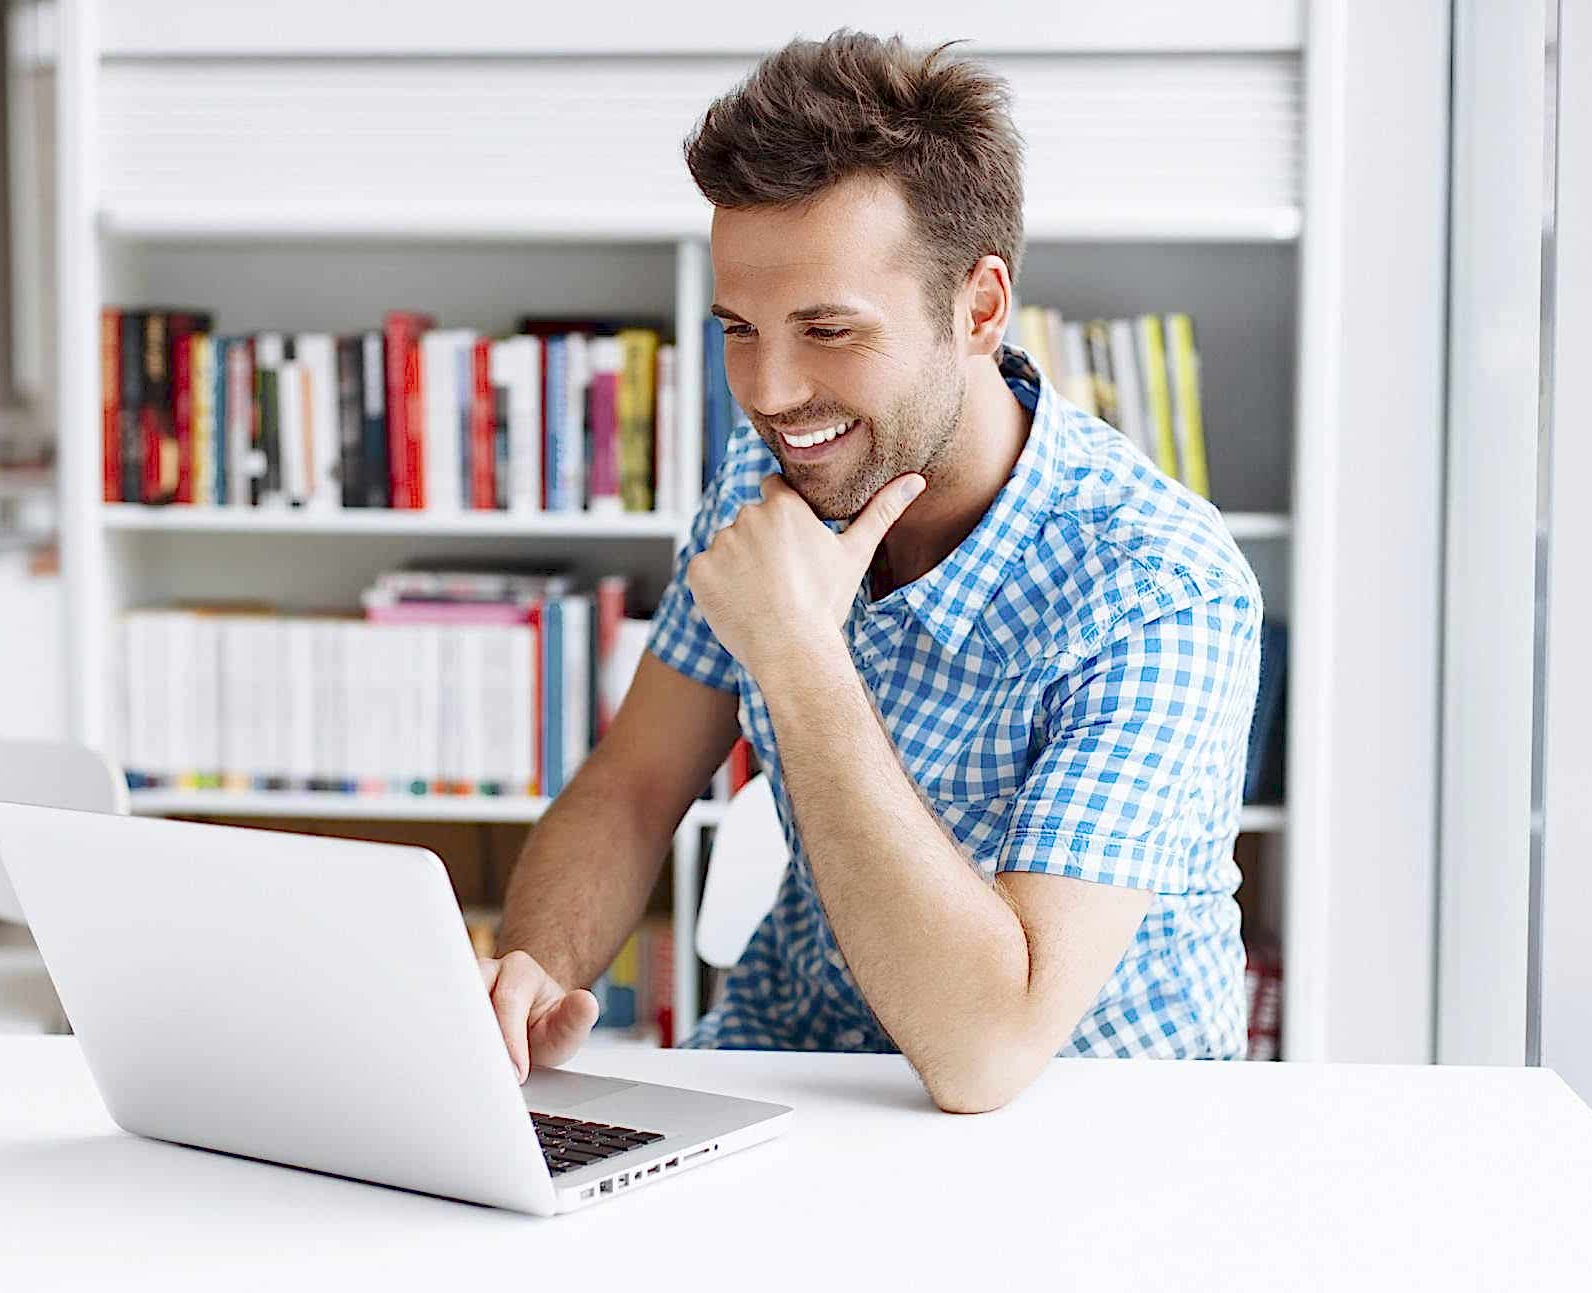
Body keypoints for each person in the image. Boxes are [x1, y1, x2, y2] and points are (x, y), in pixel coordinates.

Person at [484, 29, 1263, 1113]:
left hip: (1078, 1115)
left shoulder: (1155, 587)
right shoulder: (768, 486)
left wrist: (801, 656)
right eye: (739, 329)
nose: (768, 390)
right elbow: (632, 785)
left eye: (827, 330)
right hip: (791, 1063)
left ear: (979, 309)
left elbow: (986, 1056)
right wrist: (536, 970)